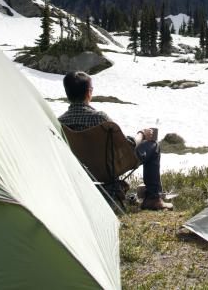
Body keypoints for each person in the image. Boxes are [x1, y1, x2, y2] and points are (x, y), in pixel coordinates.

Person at [59, 71, 172, 211]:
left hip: (80, 172)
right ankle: (153, 199)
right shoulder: (99, 118)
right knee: (153, 146)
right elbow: (126, 146)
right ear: (89, 92)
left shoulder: (60, 122)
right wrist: (142, 134)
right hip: (108, 169)